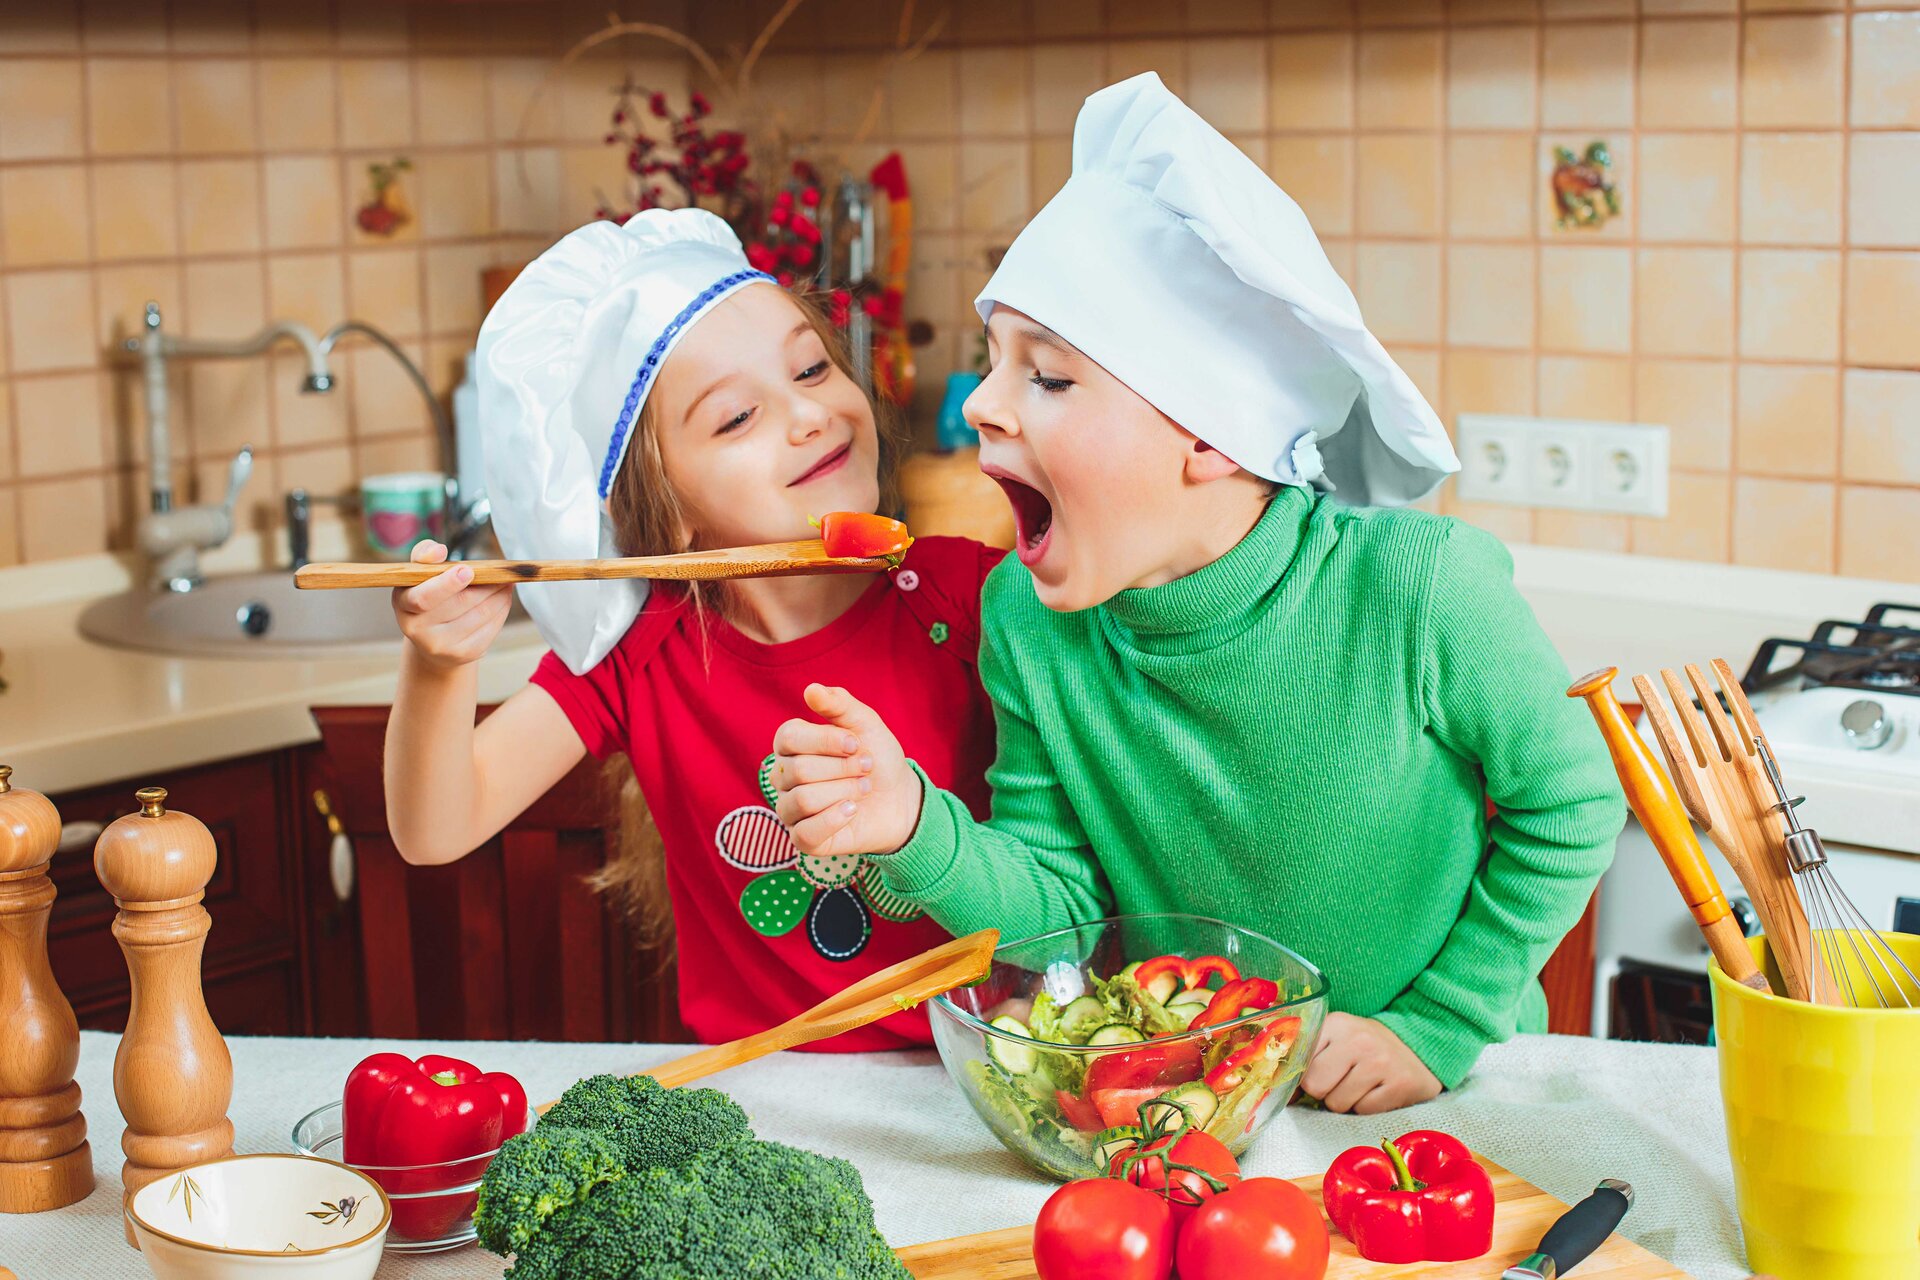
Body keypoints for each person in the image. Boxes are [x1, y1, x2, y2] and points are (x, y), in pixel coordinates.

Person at [769, 75, 1624, 1109]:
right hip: (1196, 1105)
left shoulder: (1418, 588)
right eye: (996, 363)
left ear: (1209, 435)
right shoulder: (1028, 622)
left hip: (1450, 1097)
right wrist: (915, 825)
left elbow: (1575, 802)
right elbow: (1063, 919)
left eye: (1049, 376)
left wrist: (1440, 1023)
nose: (983, 404)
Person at [383, 210, 1001, 1050]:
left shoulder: (970, 598)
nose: (809, 413)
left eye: (813, 368)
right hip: (763, 1097)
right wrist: (438, 664)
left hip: (980, 1083)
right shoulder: (644, 653)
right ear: (666, 510)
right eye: (737, 417)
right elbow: (434, 830)